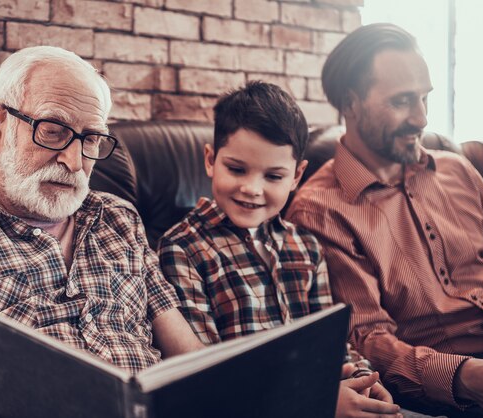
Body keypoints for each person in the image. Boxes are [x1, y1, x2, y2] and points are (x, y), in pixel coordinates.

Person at [0, 46, 204, 417]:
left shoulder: (120, 219)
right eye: (53, 131)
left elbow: (190, 359)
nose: (74, 162)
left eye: (90, 139)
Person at [158, 81, 403, 418]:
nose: (252, 189)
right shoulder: (181, 247)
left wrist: (361, 378)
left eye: (273, 176)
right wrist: (315, 400)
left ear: (296, 177)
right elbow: (205, 370)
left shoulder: (305, 247)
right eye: (237, 169)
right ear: (211, 160)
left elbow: (327, 343)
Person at [286, 23, 483, 416]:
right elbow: (369, 343)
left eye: (424, 99)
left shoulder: (458, 170)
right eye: (401, 102)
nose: (421, 118)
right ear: (351, 103)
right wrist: (468, 377)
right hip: (451, 390)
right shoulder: (321, 211)